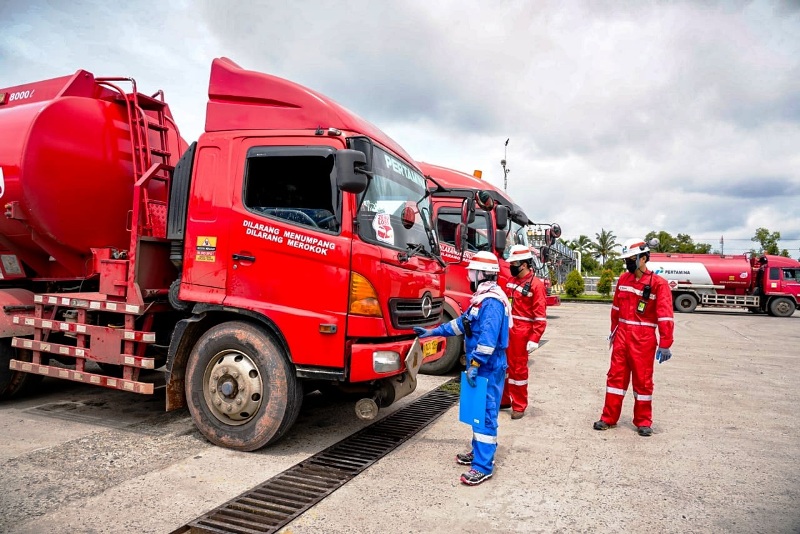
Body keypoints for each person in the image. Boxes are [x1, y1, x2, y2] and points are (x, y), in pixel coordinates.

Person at [414, 250, 510, 486]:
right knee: (477, 412)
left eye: (472, 272)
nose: (470, 276)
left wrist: (475, 363)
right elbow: (461, 324)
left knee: (486, 414)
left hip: (488, 366)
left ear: (482, 274)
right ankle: (479, 453)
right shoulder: (481, 299)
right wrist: (433, 332)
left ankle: (483, 466)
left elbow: (487, 341)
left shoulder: (492, 302)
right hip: (482, 365)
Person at [593, 238, 674, 437]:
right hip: (622, 335)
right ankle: (609, 418)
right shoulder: (623, 279)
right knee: (615, 378)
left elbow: (665, 315)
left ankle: (643, 421)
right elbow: (615, 310)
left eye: (631, 258)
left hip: (644, 338)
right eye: (626, 259)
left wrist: (665, 343)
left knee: (643, 381)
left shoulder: (658, 284)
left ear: (643, 258)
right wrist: (614, 333)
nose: (628, 263)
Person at [500, 244, 547, 420]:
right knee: (503, 367)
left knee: (518, 370)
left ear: (525, 264)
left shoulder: (536, 285)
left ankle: (519, 405)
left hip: (522, 333)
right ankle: (504, 400)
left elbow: (540, 316)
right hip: (507, 330)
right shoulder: (511, 282)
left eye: (515, 263)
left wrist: (535, 338)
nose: (511, 266)